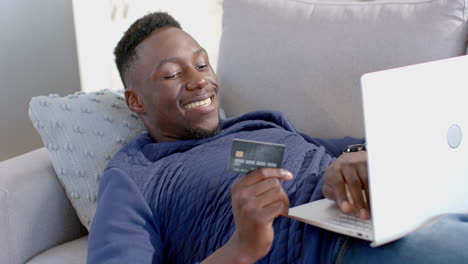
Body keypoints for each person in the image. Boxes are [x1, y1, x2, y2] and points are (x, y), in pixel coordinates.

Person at [87, 12, 468, 264]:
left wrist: (353, 159)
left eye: (202, 64)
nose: (199, 79)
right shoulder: (136, 175)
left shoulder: (255, 125)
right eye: (172, 74)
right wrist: (242, 248)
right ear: (135, 100)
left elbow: (356, 146)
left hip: (397, 206)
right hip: (331, 247)